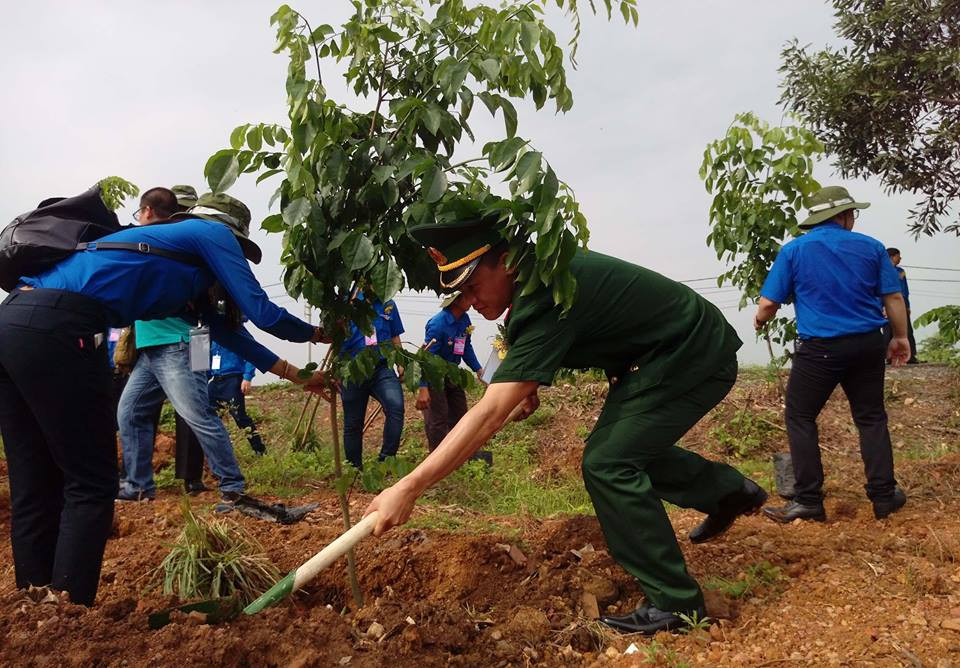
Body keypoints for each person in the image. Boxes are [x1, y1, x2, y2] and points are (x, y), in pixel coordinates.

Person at [364, 215, 767, 635]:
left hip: (690, 352)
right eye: (460, 291)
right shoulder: (537, 286)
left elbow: (490, 412)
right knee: (620, 453)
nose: (470, 300)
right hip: (653, 360)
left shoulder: (546, 294)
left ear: (508, 263)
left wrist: (408, 487)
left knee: (608, 463)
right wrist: (526, 383)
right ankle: (729, 493)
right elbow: (523, 364)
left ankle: (675, 604)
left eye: (471, 286)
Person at [0, 186, 328, 606]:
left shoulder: (176, 259)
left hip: (12, 318)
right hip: (61, 325)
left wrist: (301, 376)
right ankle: (68, 610)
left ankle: (33, 605)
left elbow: (231, 334)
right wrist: (319, 334)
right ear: (229, 231)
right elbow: (262, 313)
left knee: (34, 479)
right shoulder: (210, 234)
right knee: (89, 483)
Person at [754, 186, 910, 525]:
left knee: (800, 417)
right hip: (868, 343)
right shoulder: (871, 247)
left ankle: (808, 500)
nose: (853, 219)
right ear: (841, 215)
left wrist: (759, 319)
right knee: (870, 417)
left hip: (820, 349)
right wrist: (899, 337)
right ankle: (884, 498)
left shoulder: (794, 250)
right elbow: (893, 299)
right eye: (852, 212)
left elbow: (768, 303)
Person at [116, 186, 239, 501]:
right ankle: (138, 485)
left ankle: (232, 486)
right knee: (130, 411)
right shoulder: (169, 241)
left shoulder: (165, 244)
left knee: (197, 413)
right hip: (161, 344)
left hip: (177, 341)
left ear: (146, 211)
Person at [416, 291, 491, 464]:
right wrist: (423, 386)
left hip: (453, 373)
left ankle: (461, 456)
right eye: (468, 297)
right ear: (456, 301)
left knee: (460, 414)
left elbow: (465, 348)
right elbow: (425, 358)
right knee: (438, 418)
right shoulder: (437, 324)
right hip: (435, 375)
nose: (473, 299)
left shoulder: (464, 321)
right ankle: (438, 461)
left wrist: (479, 370)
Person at [339, 295, 406, 470]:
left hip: (381, 368)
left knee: (396, 407)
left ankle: (385, 461)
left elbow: (395, 336)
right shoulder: (347, 301)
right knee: (353, 423)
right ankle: (354, 469)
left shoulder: (388, 304)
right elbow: (334, 337)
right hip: (353, 369)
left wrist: (401, 363)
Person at [884, 248, 918, 364]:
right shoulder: (882, 271)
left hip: (901, 304)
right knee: (888, 331)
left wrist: (907, 306)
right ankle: (888, 357)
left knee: (907, 330)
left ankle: (911, 357)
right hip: (887, 304)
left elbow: (905, 290)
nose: (900, 258)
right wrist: (882, 306)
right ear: (892, 257)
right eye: (898, 256)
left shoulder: (901, 271)